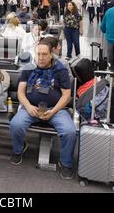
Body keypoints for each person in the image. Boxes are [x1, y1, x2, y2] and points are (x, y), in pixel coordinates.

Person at [9, 41, 75, 180]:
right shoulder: (28, 68)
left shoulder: (60, 70)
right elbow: (21, 92)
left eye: (44, 54)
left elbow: (66, 95)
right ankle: (18, 150)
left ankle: (65, 163)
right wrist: (28, 106)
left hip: (55, 109)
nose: (40, 57)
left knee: (69, 132)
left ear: (51, 54)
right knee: (16, 124)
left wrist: (54, 111)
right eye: (38, 54)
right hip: (31, 108)